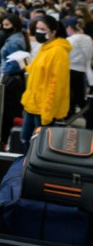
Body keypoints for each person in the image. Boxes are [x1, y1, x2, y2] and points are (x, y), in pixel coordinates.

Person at [20, 15, 71, 151]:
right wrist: (24, 63)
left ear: (53, 32)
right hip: (33, 104)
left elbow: (56, 85)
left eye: (43, 29)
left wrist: (48, 113)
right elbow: (38, 71)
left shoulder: (58, 52)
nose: (38, 32)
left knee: (39, 145)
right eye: (37, 28)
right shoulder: (44, 47)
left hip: (43, 109)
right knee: (25, 139)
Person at [64, 16, 93, 116]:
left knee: (69, 96)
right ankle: (89, 118)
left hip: (70, 70)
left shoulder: (69, 41)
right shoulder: (88, 38)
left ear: (69, 28)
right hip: (83, 71)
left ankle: (69, 114)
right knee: (80, 97)